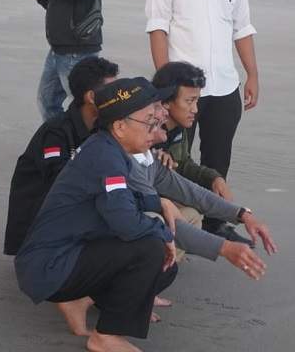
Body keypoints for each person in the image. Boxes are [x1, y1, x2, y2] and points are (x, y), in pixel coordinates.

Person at [15, 78, 177, 352]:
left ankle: (83, 299)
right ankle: (107, 337)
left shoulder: (107, 148)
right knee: (151, 248)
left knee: (164, 266)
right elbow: (125, 223)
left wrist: (157, 203)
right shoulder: (107, 157)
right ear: (119, 126)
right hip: (49, 265)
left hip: (64, 254)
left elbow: (124, 202)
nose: (155, 128)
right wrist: (164, 233)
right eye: (148, 121)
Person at [145, 0, 259, 234]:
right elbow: (157, 28)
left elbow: (242, 28)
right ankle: (177, 221)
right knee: (174, 158)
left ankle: (213, 223)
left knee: (217, 159)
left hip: (225, 86)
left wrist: (252, 74)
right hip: (181, 92)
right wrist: (165, 86)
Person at [128, 102, 278, 274]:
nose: (163, 115)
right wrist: (226, 248)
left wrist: (243, 214)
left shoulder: (148, 157)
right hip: (100, 249)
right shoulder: (119, 161)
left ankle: (150, 275)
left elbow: (192, 193)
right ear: (120, 126)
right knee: (157, 221)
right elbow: (146, 220)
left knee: (188, 216)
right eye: (151, 117)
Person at [3, 56, 119, 256]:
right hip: (39, 232)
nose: (119, 96)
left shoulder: (104, 127)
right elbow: (59, 180)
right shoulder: (55, 132)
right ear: (91, 97)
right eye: (113, 91)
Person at [151, 62, 253, 245]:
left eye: (197, 100)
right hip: (142, 204)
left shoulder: (177, 128)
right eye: (189, 101)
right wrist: (152, 158)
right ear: (165, 101)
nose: (195, 110)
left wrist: (213, 178)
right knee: (190, 215)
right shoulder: (143, 130)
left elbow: (183, 164)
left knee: (192, 213)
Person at [24, 0, 103, 121]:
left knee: (85, 104)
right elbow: (63, 6)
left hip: (77, 50)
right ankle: (59, 139)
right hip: (60, 50)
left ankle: (89, 145)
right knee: (47, 99)